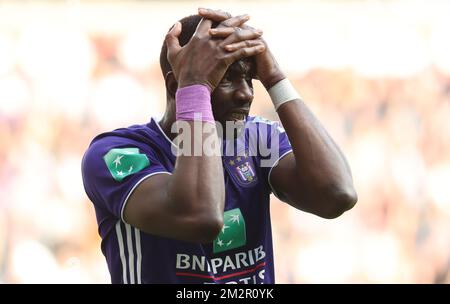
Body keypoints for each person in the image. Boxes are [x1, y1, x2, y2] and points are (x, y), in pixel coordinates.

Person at [81, 8, 357, 284]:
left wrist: (275, 78)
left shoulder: (256, 138)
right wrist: (194, 84)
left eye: (249, 78)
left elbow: (336, 195)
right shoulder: (116, 153)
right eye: (225, 78)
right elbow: (200, 217)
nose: (246, 93)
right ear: (175, 84)